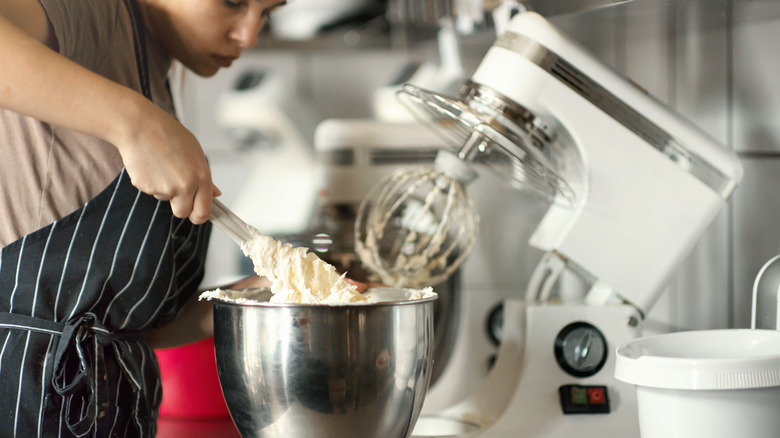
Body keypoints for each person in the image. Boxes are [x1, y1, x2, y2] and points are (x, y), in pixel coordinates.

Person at [0, 0, 306, 436]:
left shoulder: (152, 72)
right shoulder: (96, 15)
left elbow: (126, 326)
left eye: (268, 13)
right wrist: (135, 122)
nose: (251, 35)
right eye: (233, 3)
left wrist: (253, 296)